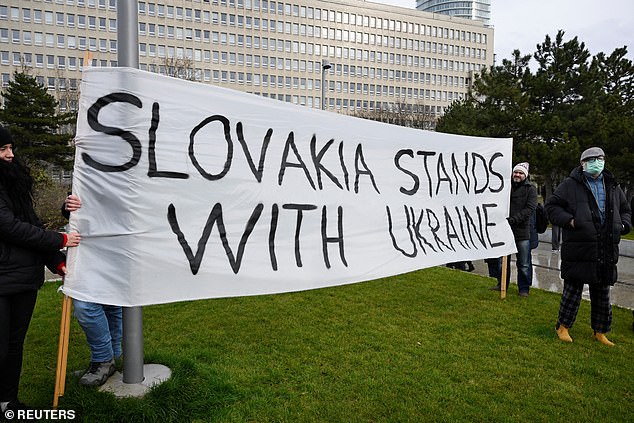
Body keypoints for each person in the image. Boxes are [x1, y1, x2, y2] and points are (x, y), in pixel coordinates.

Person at [0, 126, 80, 412]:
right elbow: (8, 227)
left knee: (13, 346)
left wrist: (55, 260)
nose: (10, 155)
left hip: (23, 279)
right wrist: (60, 238)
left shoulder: (15, 184)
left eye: (10, 148)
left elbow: (31, 225)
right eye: (2, 150)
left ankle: (8, 402)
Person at [545, 147, 631, 346]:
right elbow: (551, 207)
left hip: (606, 247)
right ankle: (563, 326)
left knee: (602, 293)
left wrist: (623, 225)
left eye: (600, 158)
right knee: (573, 291)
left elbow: (625, 209)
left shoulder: (612, 185)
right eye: (592, 159)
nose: (597, 162)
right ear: (583, 163)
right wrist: (571, 221)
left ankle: (600, 331)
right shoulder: (570, 184)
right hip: (579, 247)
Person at [63, 194, 123, 386]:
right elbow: (86, 207)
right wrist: (68, 207)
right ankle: (105, 359)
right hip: (91, 250)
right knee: (87, 305)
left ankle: (107, 359)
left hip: (121, 248)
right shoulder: (92, 169)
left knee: (111, 304)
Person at [489, 162, 537, 297]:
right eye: (515, 172)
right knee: (501, 261)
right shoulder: (505, 187)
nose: (517, 175)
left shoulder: (530, 189)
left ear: (525, 175)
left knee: (524, 263)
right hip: (503, 230)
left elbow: (530, 209)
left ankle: (524, 288)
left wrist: (513, 220)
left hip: (522, 231)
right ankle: (502, 283)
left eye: (521, 173)